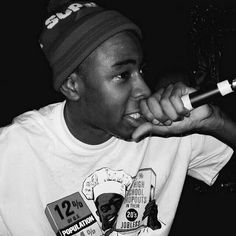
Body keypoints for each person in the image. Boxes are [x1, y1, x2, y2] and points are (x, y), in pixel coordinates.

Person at [0, 1, 235, 235]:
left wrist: (215, 122)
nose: (143, 89)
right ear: (72, 86)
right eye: (123, 75)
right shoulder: (13, 151)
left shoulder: (167, 127)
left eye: (140, 71)